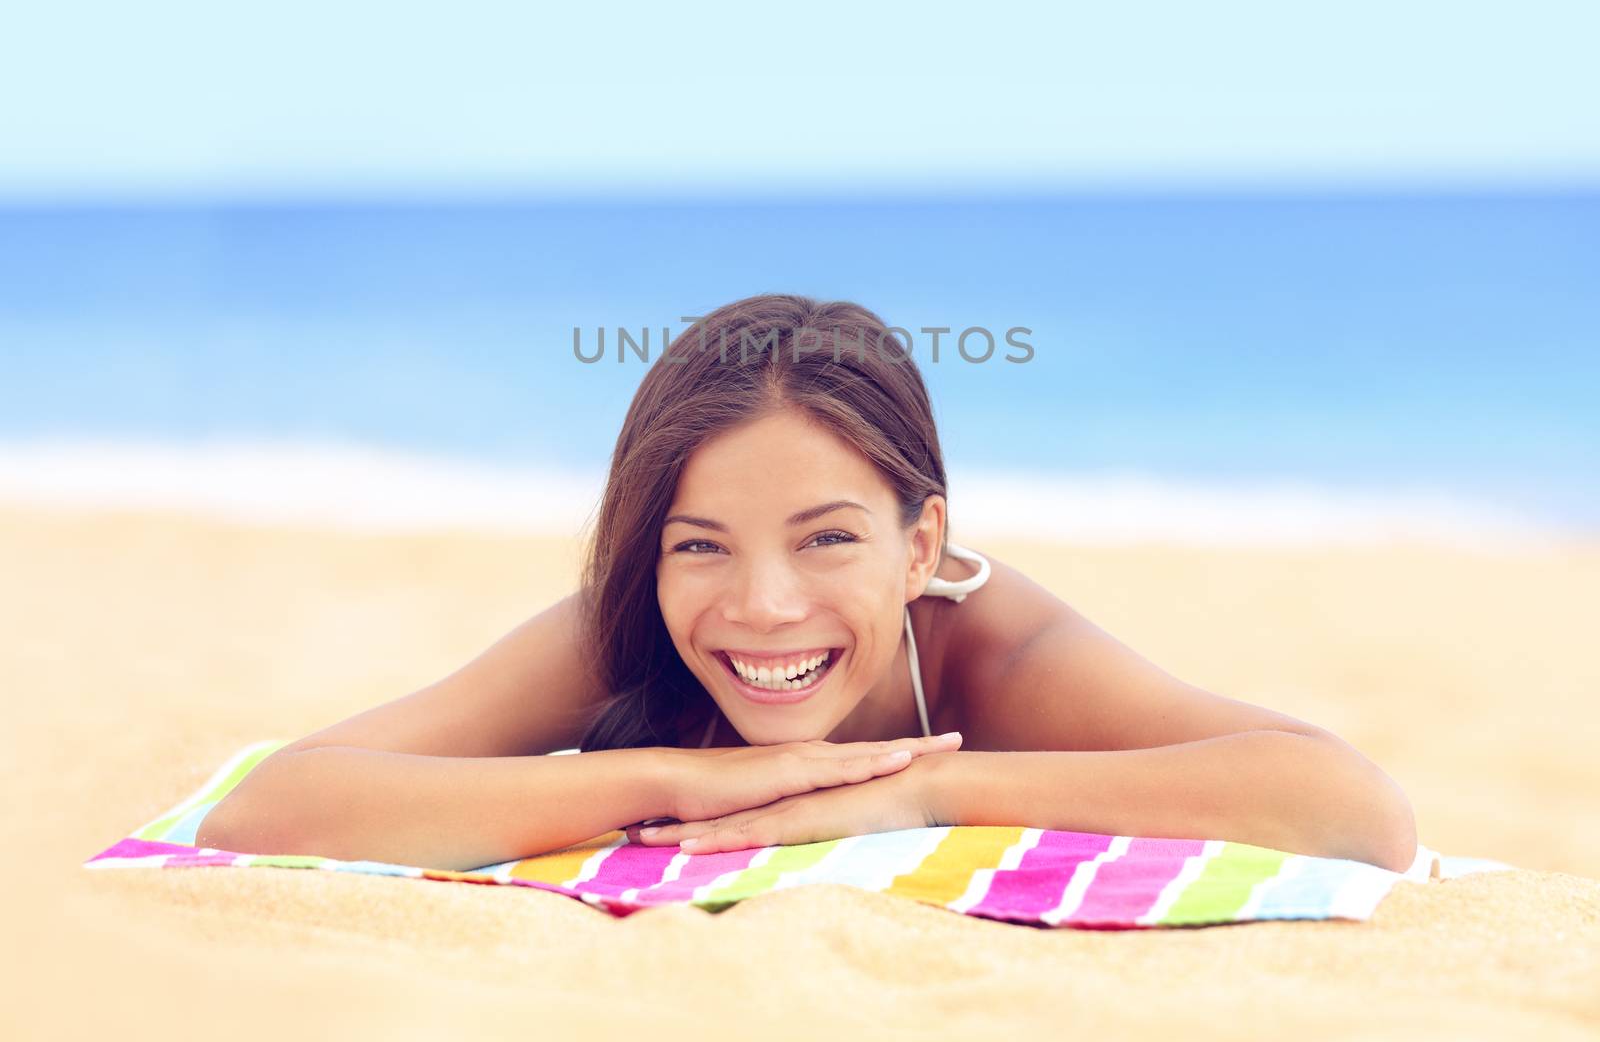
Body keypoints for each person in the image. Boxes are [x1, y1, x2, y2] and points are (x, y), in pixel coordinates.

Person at [195, 293, 1417, 874]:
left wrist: (909, 795)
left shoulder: (992, 644)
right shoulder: (624, 635)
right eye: (700, 542)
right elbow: (268, 810)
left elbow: (1352, 807)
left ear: (921, 545)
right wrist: (692, 776)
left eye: (829, 539)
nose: (762, 604)